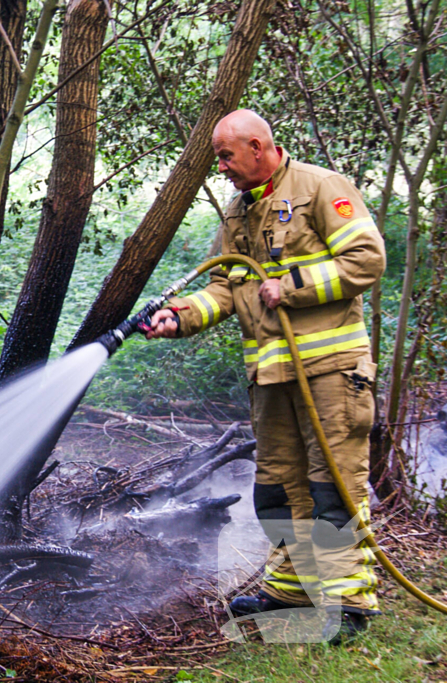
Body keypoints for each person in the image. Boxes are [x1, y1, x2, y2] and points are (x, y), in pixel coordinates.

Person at [146, 109, 386, 644]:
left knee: (333, 486)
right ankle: (293, 587)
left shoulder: (321, 188)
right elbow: (226, 289)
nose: (222, 168)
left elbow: (367, 259)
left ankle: (348, 602)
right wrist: (179, 316)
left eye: (227, 156)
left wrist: (293, 283)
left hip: (330, 372)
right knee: (278, 486)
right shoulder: (239, 212)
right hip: (272, 377)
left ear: (258, 146)